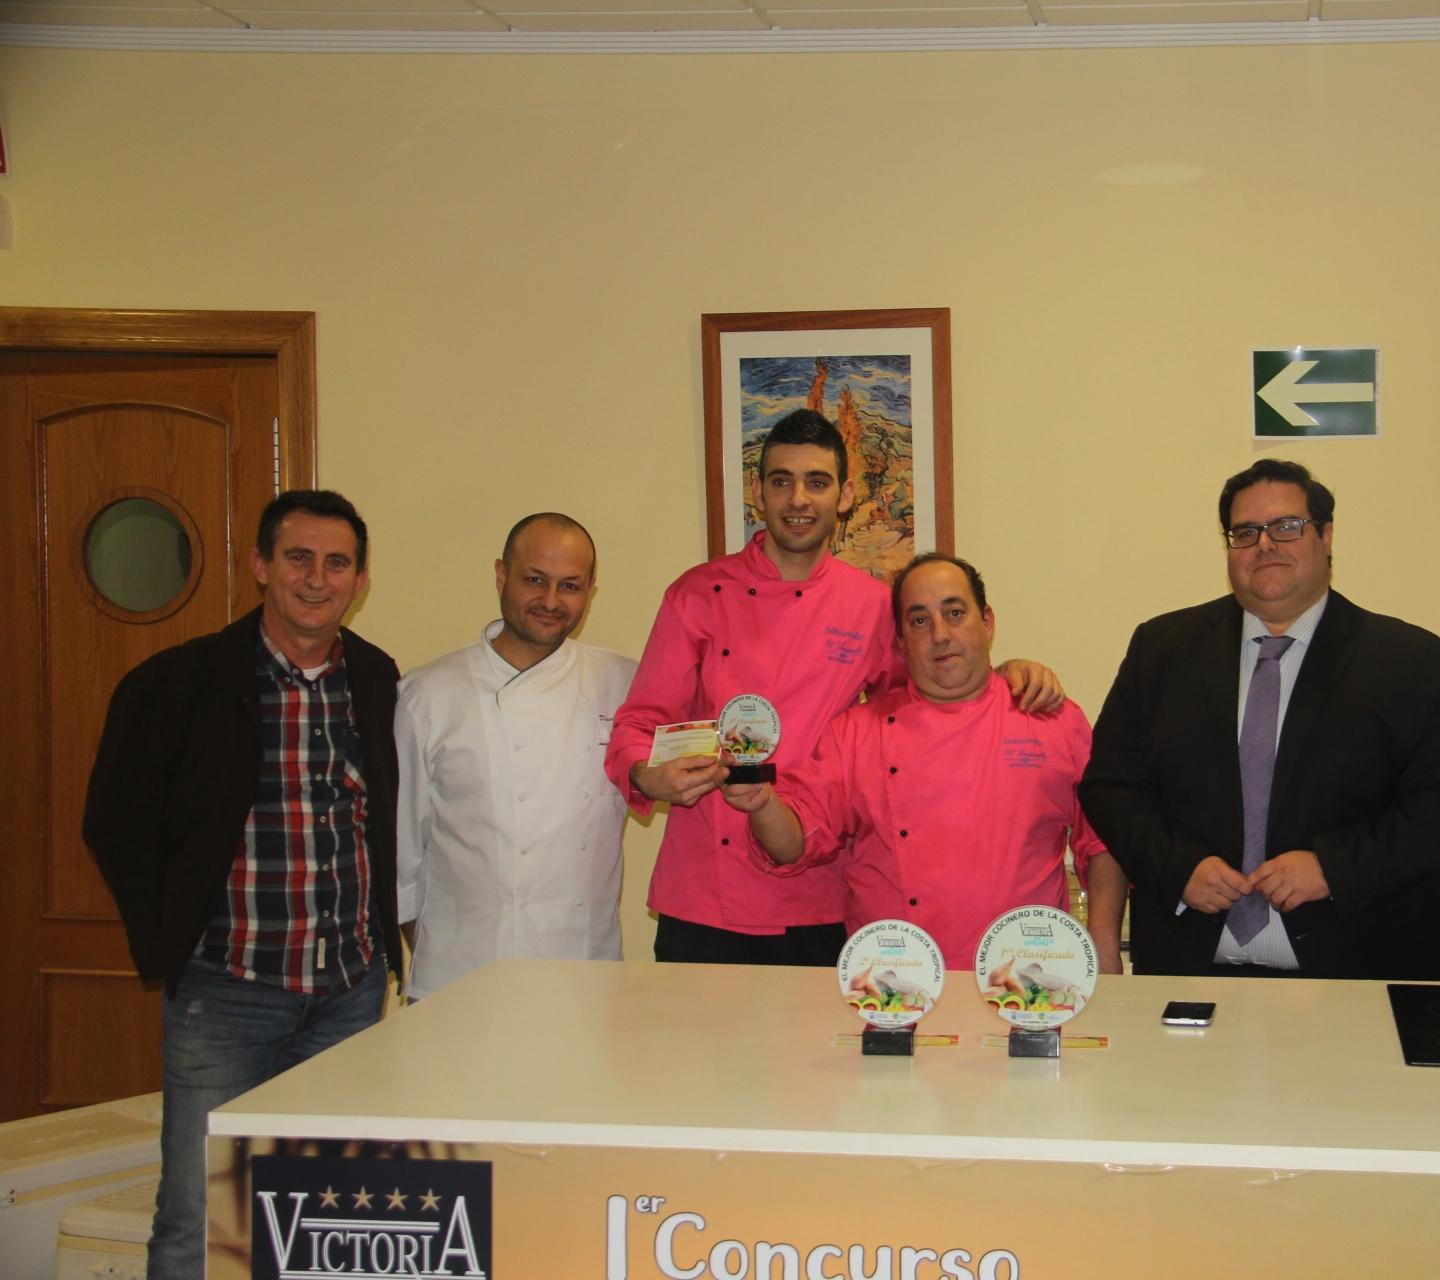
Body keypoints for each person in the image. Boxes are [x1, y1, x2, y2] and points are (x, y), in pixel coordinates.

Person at [606, 409, 1062, 965]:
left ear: (844, 495)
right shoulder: (697, 594)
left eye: (817, 482)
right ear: (758, 492)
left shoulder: (870, 606)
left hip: (821, 894)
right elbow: (640, 722)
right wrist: (645, 773)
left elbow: (928, 699)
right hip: (706, 891)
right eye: (782, 481)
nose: (798, 499)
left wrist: (1007, 673)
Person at [82, 490, 402, 1280]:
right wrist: (172, 935)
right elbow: (115, 823)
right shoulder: (178, 683)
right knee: (198, 1218)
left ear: (360, 580)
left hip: (347, 996)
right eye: (298, 558)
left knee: (324, 1218)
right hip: (227, 994)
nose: (317, 579)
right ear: (260, 565)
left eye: (337, 563)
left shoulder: (375, 678)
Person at [1080, 459, 1440, 978]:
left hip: (1359, 977)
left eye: (1287, 527)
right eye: (1245, 532)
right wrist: (1178, 866)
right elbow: (1110, 787)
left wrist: (1333, 868)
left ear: (1327, 536)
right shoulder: (1161, 651)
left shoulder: (1408, 661)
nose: (1265, 545)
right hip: (1191, 971)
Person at [721, 553, 1125, 973]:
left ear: (987, 622)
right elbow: (795, 843)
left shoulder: (1050, 718)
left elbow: (1103, 838)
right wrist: (762, 802)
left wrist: (1103, 946)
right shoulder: (856, 733)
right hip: (894, 982)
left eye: (954, 613)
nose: (940, 635)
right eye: (919, 620)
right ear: (900, 643)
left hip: (1025, 979)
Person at [394, 513, 637, 1000]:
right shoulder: (428, 693)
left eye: (570, 585)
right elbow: (402, 853)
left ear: (590, 590)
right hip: (460, 976)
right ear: (501, 575)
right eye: (535, 580)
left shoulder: (625, 684)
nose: (551, 601)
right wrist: (438, 956)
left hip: (585, 972)